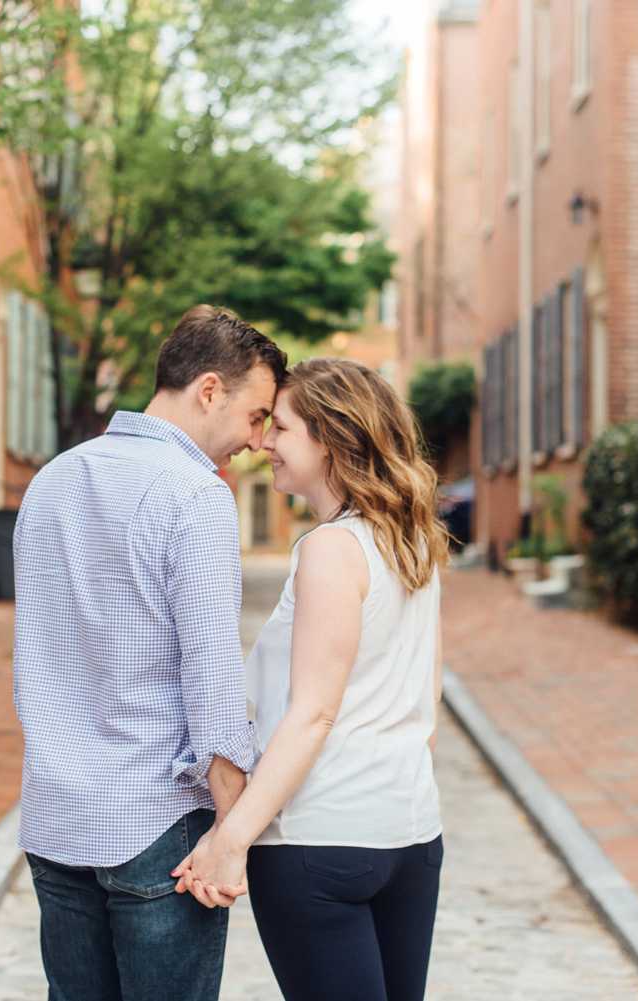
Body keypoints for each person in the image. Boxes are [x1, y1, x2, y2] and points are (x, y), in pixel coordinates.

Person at [12, 305, 287, 1001]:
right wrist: (234, 828)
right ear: (208, 391)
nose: (258, 441)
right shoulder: (196, 495)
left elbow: (38, 653)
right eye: (257, 415)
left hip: (57, 817)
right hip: (159, 827)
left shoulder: (50, 481)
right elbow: (212, 682)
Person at [174, 358, 448, 1001]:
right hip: (410, 836)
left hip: (317, 843)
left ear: (332, 439)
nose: (264, 442)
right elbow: (426, 699)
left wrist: (230, 838)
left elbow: (313, 714)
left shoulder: (331, 549)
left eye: (284, 428)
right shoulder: (415, 541)